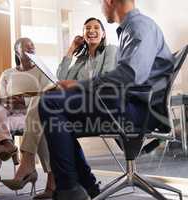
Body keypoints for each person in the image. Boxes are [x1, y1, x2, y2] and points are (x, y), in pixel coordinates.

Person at [38, 0, 174, 199]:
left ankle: (69, 189)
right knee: (59, 120)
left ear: (109, 1)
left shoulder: (139, 27)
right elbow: (65, 76)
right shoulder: (133, 29)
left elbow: (129, 76)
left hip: (137, 110)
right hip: (132, 105)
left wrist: (79, 86)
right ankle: (86, 186)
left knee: (51, 104)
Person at [12, 17, 117, 199]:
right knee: (52, 117)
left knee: (46, 107)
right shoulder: (81, 59)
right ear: (83, 34)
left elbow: (106, 78)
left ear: (103, 33)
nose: (91, 31)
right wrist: (71, 49)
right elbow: (59, 78)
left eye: (96, 28)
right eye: (87, 28)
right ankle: (89, 185)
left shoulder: (110, 50)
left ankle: (28, 162)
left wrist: (74, 83)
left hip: (100, 105)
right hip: (77, 106)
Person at [0, 37, 52, 198]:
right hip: (10, 115)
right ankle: (8, 144)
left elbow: (47, 97)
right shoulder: (7, 73)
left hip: (31, 115)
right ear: (17, 52)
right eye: (26, 48)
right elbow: (2, 99)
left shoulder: (42, 71)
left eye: (33, 47)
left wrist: (23, 100)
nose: (31, 50)